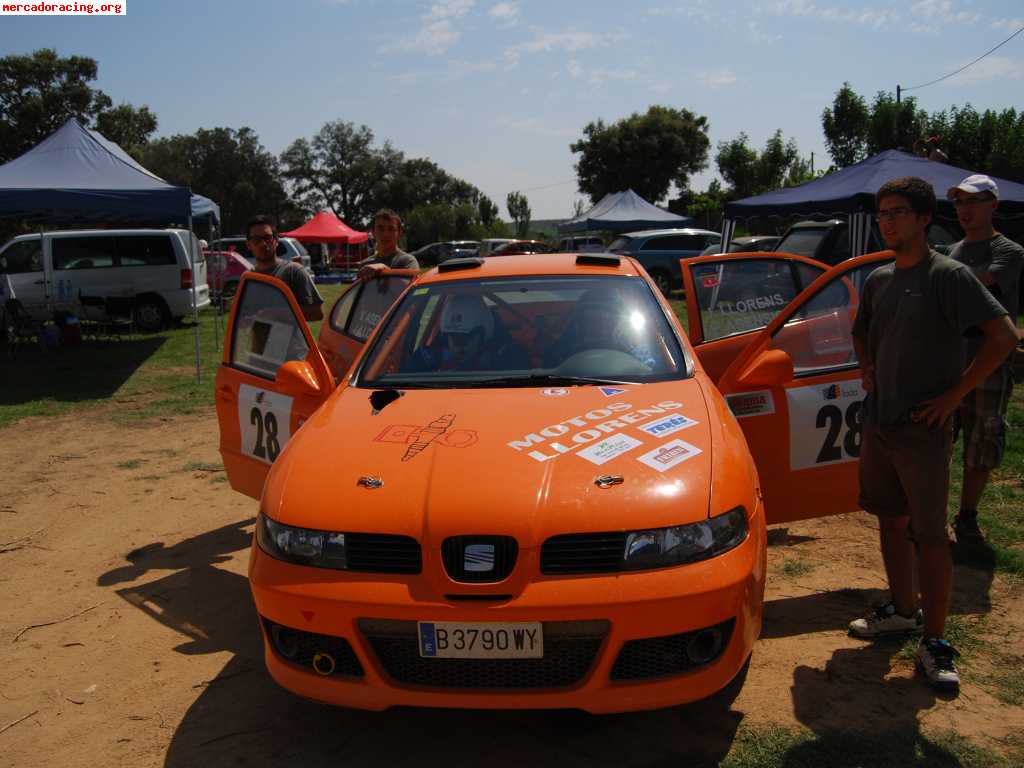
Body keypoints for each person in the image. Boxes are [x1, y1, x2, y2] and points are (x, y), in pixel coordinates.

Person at [847, 176, 1018, 692]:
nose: (887, 222)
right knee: (889, 519)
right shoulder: (879, 279)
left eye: (898, 212)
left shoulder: (948, 275)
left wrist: (955, 395)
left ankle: (936, 641)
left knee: (930, 535)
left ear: (924, 219)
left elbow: (1004, 337)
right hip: (881, 421)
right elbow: (861, 331)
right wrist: (866, 367)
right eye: (882, 213)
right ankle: (902, 611)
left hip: (924, 428)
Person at [946, 174, 1024, 544]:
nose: (964, 209)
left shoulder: (1008, 250)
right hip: (949, 359)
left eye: (972, 201)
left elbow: (983, 283)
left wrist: (940, 280)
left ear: (993, 205)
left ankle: (967, 516)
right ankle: (932, 514)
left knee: (982, 442)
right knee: (939, 440)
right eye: (959, 202)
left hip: (989, 361)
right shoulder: (951, 251)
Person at [408, 293, 527, 372]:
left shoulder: (508, 358)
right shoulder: (429, 358)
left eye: (465, 338)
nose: (458, 346)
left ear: (483, 334)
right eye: (453, 337)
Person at [246, 215, 323, 322]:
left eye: (267, 238)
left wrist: (276, 314)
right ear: (248, 245)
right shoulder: (248, 279)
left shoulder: (294, 272)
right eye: (256, 239)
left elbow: (316, 313)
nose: (263, 244)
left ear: (276, 241)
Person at [356, 209, 418, 282]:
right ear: (373, 232)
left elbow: (408, 287)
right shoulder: (365, 265)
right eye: (380, 228)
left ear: (399, 233)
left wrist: (383, 269)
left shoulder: (408, 261)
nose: (386, 234)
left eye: (391, 229)